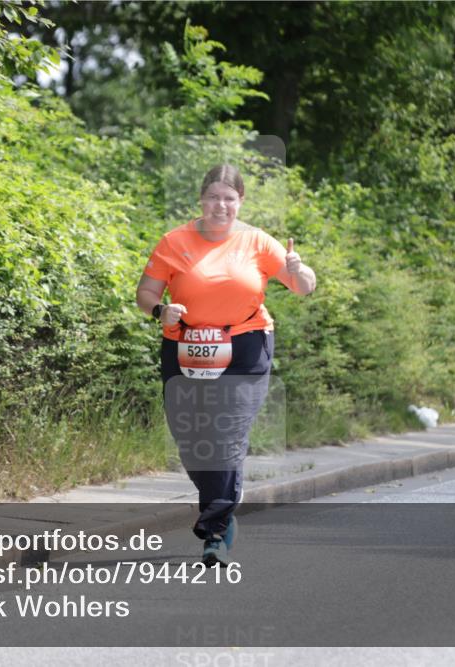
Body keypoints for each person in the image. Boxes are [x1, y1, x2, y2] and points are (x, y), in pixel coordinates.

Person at [135, 164, 317, 566]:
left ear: (241, 201)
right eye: (213, 197)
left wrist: (297, 270)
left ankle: (214, 530)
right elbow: (145, 292)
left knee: (226, 431)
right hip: (184, 345)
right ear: (201, 200)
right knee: (190, 436)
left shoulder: (258, 241)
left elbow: (304, 287)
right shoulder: (174, 241)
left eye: (229, 198)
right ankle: (222, 499)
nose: (221, 206)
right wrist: (161, 310)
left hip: (245, 344)